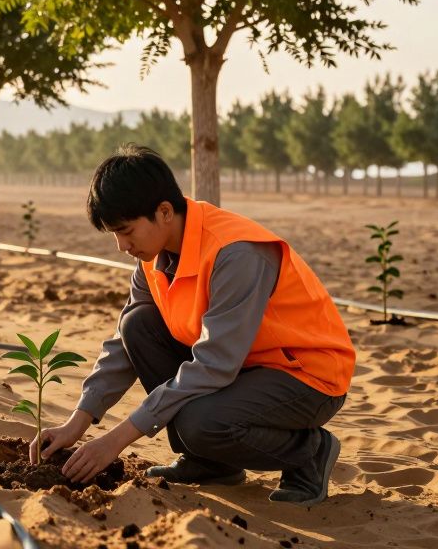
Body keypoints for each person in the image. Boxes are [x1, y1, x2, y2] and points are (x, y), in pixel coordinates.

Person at [30, 144, 355, 506]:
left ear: (164, 211)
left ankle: (310, 452)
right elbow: (124, 342)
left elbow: (215, 364)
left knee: (200, 424)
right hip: (244, 368)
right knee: (138, 325)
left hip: (306, 375)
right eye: (114, 235)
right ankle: (211, 464)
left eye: (126, 231)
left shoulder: (236, 252)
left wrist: (117, 439)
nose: (122, 246)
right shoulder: (152, 258)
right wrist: (78, 421)